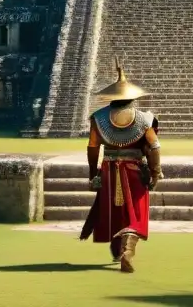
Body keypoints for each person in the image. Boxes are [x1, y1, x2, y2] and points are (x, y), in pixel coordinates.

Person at [79, 63, 162, 273]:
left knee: (114, 212)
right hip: (135, 171)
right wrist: (155, 172)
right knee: (136, 215)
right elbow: (154, 145)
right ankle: (127, 252)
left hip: (108, 171)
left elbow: (92, 147)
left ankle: (117, 251)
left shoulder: (98, 118)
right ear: (133, 97)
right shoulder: (144, 118)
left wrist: (93, 174)